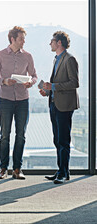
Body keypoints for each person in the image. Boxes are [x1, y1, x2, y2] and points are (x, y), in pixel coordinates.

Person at [0, 26, 37, 180]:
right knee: (5, 135)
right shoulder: (0, 55)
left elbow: (34, 76)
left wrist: (30, 82)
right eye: (21, 38)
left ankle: (17, 169)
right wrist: (4, 81)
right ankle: (3, 169)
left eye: (24, 38)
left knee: (21, 135)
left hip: (23, 100)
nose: (24, 41)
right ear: (13, 39)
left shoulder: (28, 56)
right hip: (6, 100)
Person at [39, 31, 79, 184]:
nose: (50, 43)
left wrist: (54, 86)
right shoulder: (56, 59)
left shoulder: (69, 59)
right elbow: (57, 84)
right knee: (57, 139)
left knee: (63, 140)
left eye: (52, 41)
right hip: (54, 103)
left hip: (64, 106)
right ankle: (62, 170)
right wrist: (48, 90)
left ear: (59, 43)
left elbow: (74, 83)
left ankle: (63, 173)